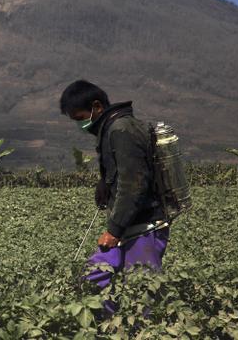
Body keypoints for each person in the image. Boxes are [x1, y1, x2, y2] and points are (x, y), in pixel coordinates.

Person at [59, 79, 169, 317]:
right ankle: (109, 328)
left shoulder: (121, 130)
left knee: (142, 295)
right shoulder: (114, 128)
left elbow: (134, 185)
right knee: (93, 278)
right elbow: (124, 173)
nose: (80, 125)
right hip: (130, 226)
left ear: (96, 107)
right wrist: (105, 185)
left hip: (143, 227)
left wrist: (114, 229)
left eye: (80, 119)